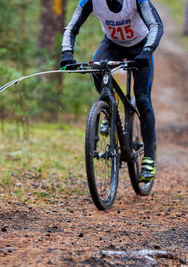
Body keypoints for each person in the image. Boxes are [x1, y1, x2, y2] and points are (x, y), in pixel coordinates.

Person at [60, 0, 163, 182]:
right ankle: (109, 109)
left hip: (141, 46)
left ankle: (149, 157)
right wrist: (67, 53)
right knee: (97, 70)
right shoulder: (90, 1)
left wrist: (148, 50)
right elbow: (72, 27)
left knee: (142, 98)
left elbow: (156, 25)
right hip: (112, 45)